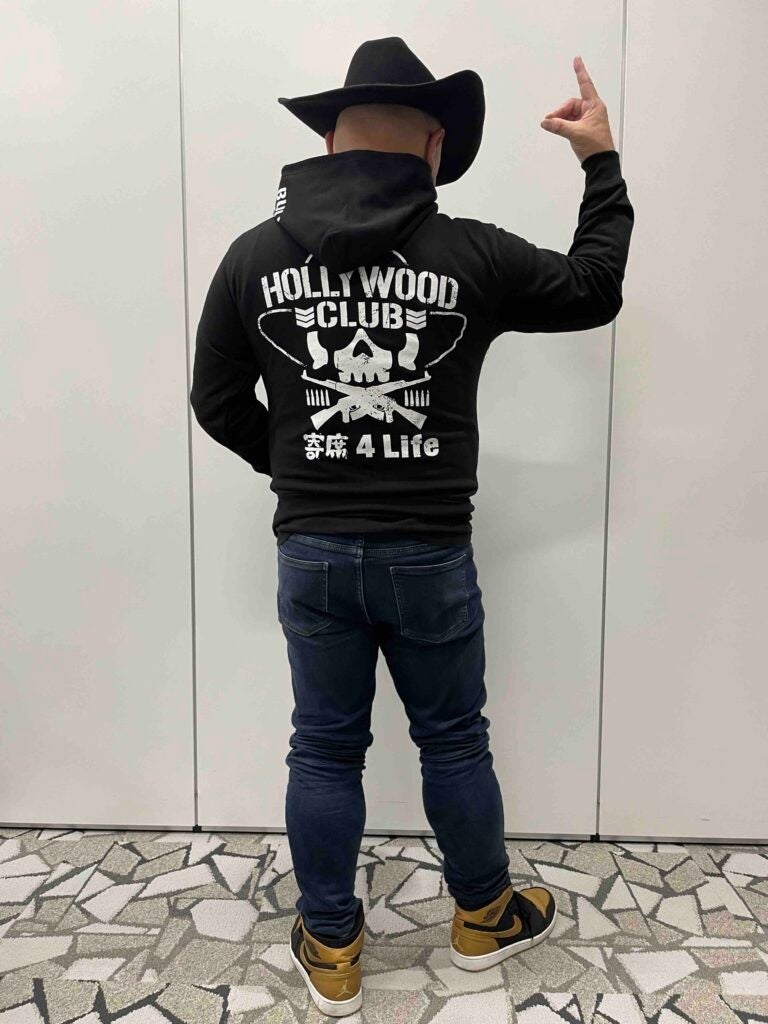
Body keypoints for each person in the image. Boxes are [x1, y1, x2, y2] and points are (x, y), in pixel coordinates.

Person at [190, 35, 633, 1018]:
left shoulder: (253, 257)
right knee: (453, 741)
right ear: (433, 147)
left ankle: (332, 947)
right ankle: (483, 917)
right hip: (429, 554)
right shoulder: (470, 252)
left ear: (331, 140)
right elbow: (594, 284)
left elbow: (213, 398)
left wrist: (298, 463)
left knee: (323, 749)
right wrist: (599, 161)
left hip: (312, 553)